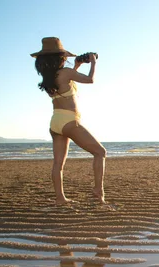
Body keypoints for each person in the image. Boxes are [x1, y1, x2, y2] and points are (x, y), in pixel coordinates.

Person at [31, 37, 106, 205]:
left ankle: (60, 198)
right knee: (100, 153)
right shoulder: (65, 72)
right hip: (69, 120)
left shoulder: (49, 77)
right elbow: (90, 80)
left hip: (55, 121)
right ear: (60, 57)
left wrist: (77, 65)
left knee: (58, 163)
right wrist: (93, 62)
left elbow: (67, 82)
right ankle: (98, 191)